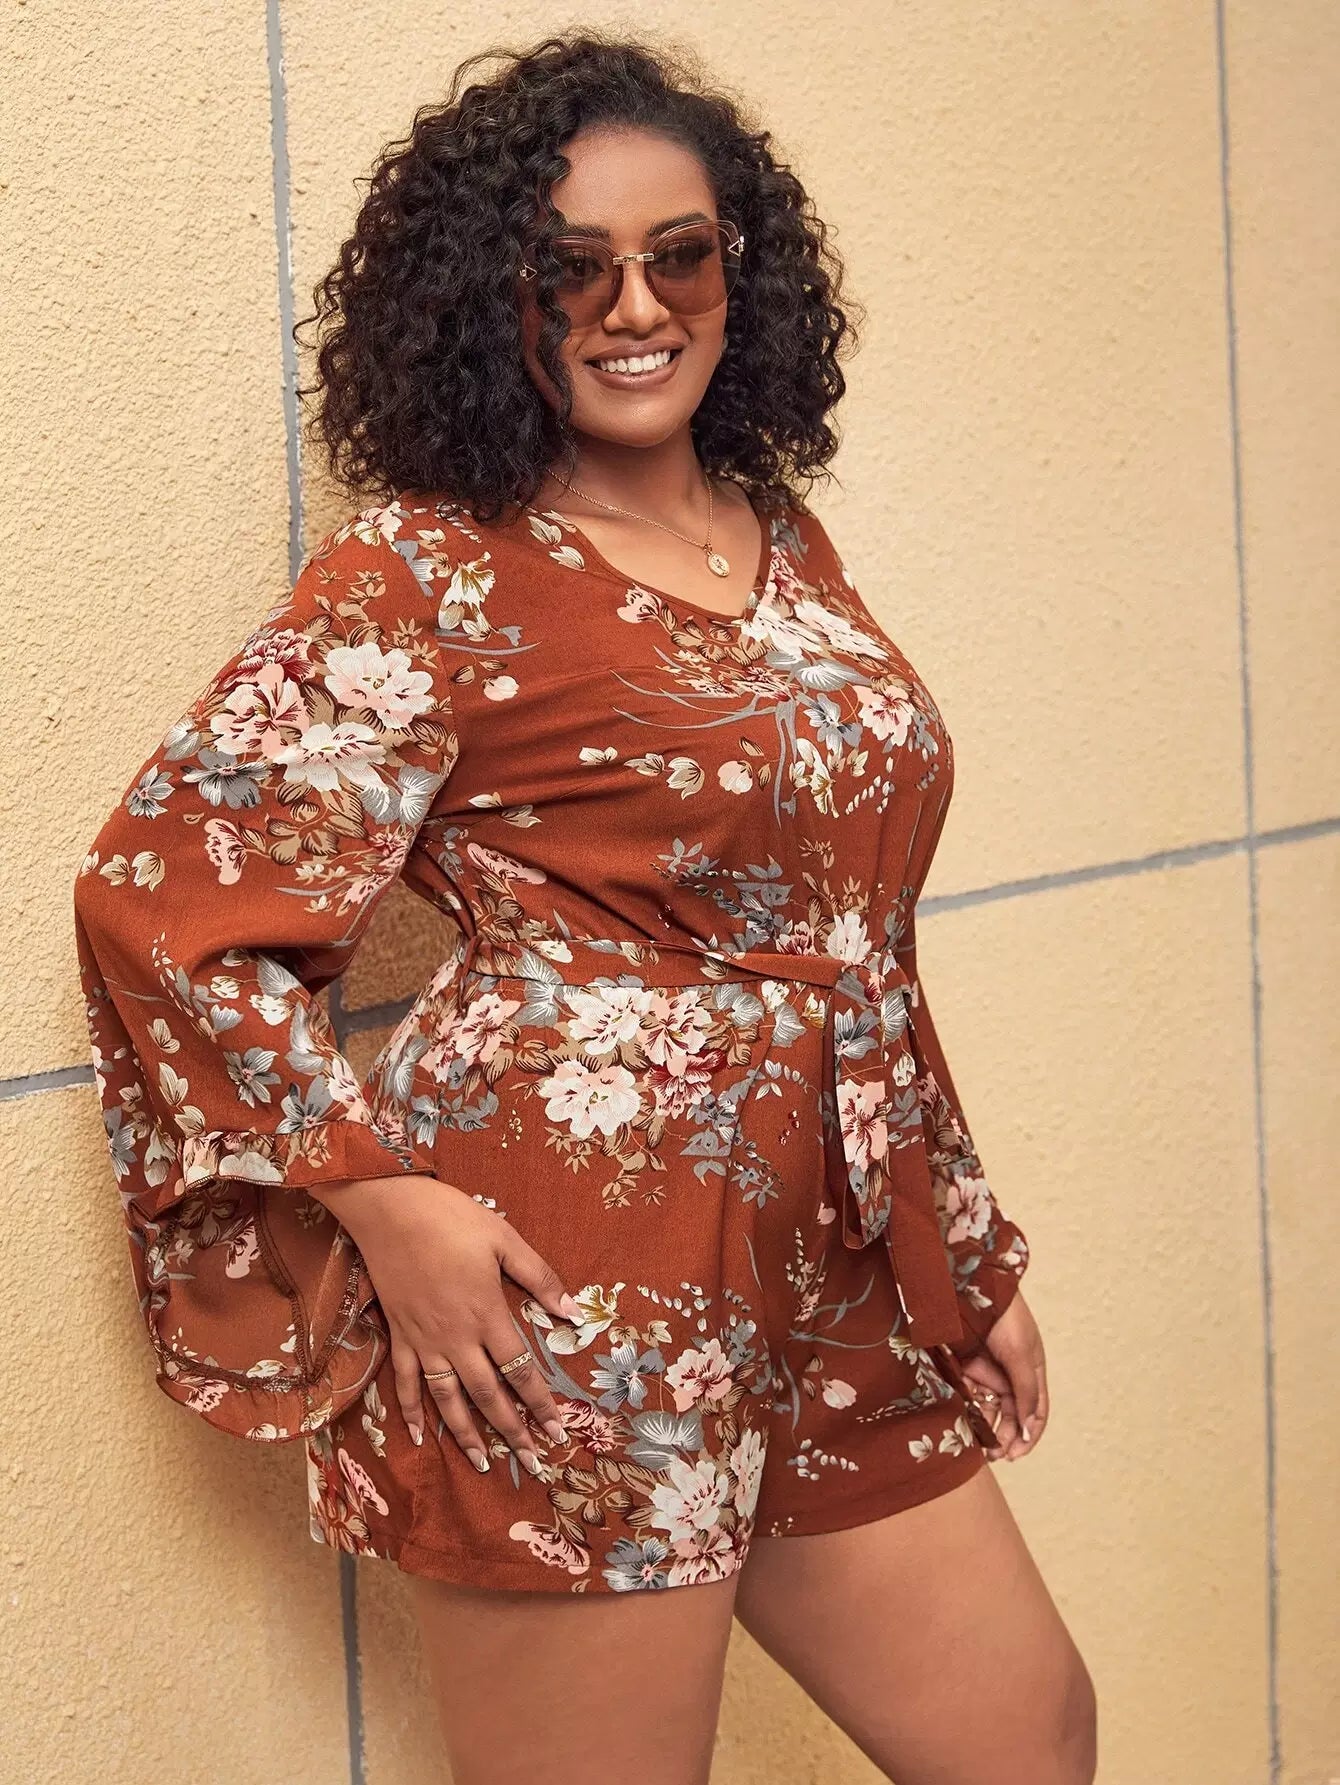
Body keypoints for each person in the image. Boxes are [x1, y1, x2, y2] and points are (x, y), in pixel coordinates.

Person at [72, 30, 1095, 1785]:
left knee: (1029, 1735)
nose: (635, 306)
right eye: (573, 268)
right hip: (569, 1282)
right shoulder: (426, 575)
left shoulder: (780, 538)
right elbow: (159, 897)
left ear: (736, 276)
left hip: (834, 1257)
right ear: (498, 298)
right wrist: (380, 1198)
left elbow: (846, 929)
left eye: (678, 255)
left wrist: (958, 1237)